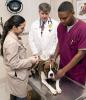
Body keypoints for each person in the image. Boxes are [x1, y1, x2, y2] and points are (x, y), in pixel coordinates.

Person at [1, 15, 39, 100]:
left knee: (14, 96)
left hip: (14, 78)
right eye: (22, 28)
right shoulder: (12, 42)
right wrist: (31, 61)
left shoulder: (11, 37)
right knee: (20, 96)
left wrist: (29, 59)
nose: (23, 30)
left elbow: (16, 58)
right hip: (17, 79)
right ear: (14, 27)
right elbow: (14, 64)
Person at [54, 1, 86, 85]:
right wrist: (54, 58)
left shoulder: (83, 28)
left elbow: (81, 54)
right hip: (62, 67)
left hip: (76, 72)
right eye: (60, 18)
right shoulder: (60, 26)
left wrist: (64, 70)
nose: (62, 21)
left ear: (73, 13)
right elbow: (59, 42)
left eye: (65, 18)